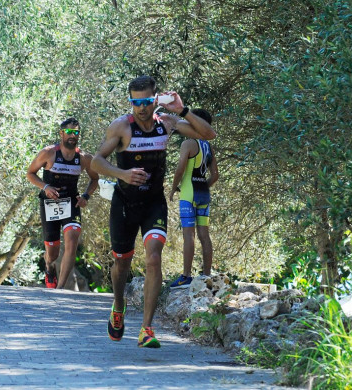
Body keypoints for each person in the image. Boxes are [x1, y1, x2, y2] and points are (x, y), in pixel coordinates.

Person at [91, 75, 216, 348]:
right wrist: (122, 174)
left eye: (147, 101)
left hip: (153, 203)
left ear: (155, 99)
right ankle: (118, 304)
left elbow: (208, 135)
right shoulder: (121, 127)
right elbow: (97, 161)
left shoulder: (167, 124)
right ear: (130, 102)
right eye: (136, 102)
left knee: (154, 258)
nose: (142, 108)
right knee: (121, 262)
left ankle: (147, 329)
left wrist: (182, 110)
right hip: (124, 204)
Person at [27, 117, 98, 289]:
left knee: (72, 239)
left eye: (76, 132)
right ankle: (49, 266)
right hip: (49, 204)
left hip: (71, 204)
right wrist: (45, 187)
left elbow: (94, 179)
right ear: (61, 134)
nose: (72, 135)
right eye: (69, 132)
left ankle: (60, 289)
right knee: (52, 253)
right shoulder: (49, 153)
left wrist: (86, 196)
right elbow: (30, 173)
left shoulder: (84, 158)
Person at [169, 109, 219, 289]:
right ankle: (207, 275)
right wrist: (203, 185)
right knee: (204, 235)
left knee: (188, 235)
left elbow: (180, 169)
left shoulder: (188, 144)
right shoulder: (208, 146)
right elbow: (215, 175)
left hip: (188, 194)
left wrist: (174, 188)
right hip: (203, 194)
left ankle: (186, 277)